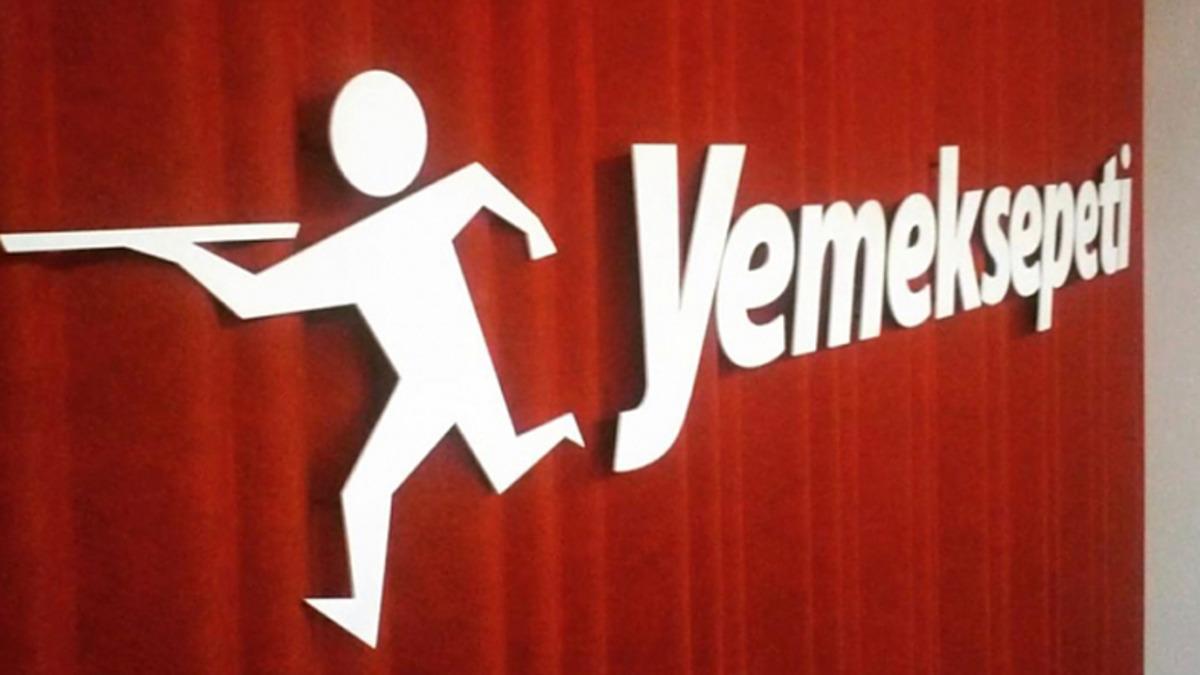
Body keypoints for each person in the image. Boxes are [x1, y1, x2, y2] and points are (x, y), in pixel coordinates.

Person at [129, 69, 584, 648]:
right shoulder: (412, 219)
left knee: (369, 489)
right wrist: (532, 229)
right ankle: (561, 429)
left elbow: (250, 296)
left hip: (436, 384)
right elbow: (478, 184)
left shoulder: (364, 248)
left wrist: (182, 254)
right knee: (498, 461)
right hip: (463, 371)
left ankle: (362, 610)